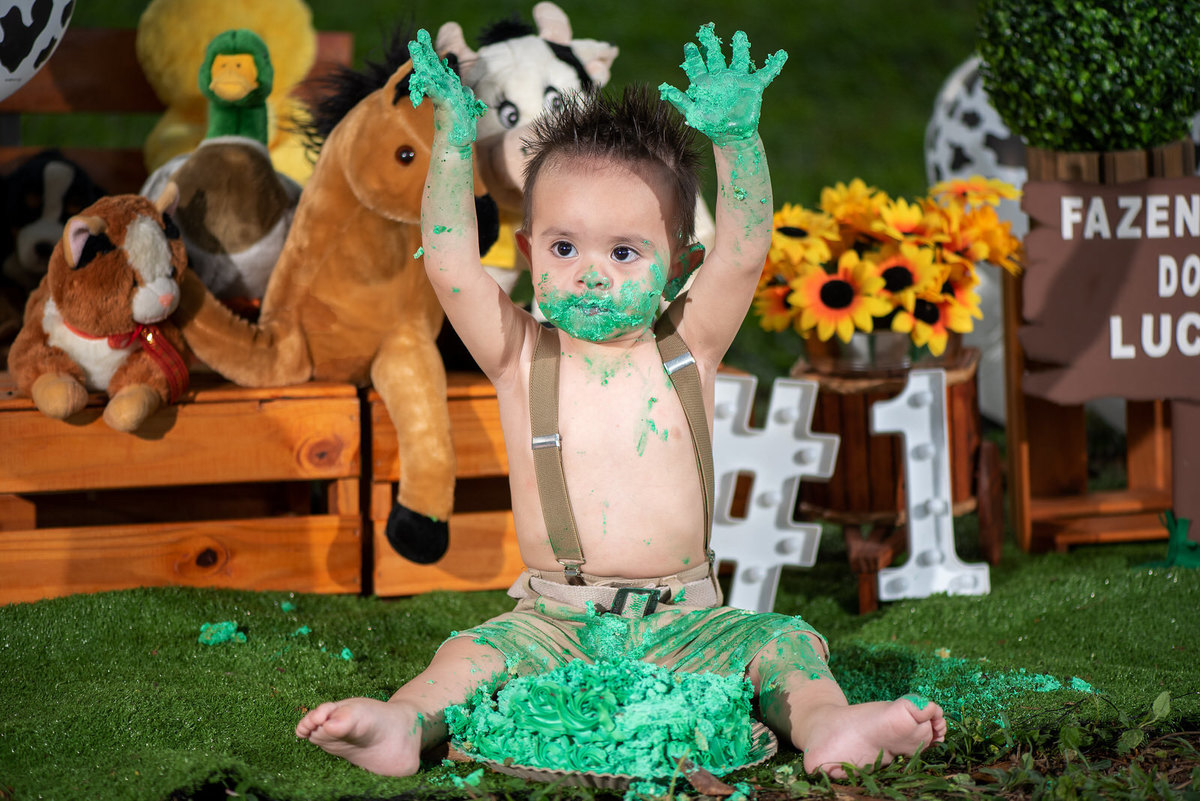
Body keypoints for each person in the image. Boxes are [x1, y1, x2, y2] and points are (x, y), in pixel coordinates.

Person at [296, 23, 947, 778]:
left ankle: (831, 725)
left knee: (786, 644)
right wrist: (452, 137)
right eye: (564, 247)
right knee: (471, 652)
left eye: (625, 251)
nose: (592, 274)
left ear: (679, 267)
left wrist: (736, 139)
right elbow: (447, 262)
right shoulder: (520, 356)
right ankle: (404, 721)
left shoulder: (688, 345)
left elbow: (745, 248)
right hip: (554, 621)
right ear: (527, 251)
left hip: (691, 622)